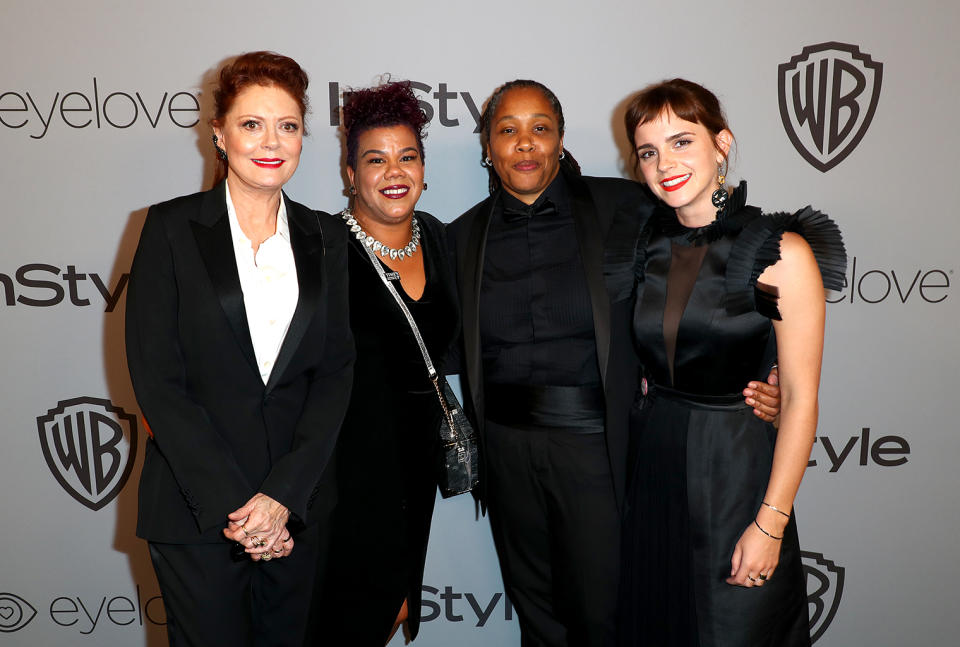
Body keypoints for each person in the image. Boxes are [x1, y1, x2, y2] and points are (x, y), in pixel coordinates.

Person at [447, 80, 782, 647]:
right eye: (508, 130)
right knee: (537, 612)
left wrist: (758, 374)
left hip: (599, 446)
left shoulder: (625, 209)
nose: (524, 144)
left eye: (540, 129)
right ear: (488, 147)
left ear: (559, 141)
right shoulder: (460, 236)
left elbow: (708, 272)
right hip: (506, 448)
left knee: (606, 614)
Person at [125, 51, 354, 647]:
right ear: (220, 135)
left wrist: (281, 499)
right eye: (252, 124)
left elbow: (334, 375)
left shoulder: (328, 236)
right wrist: (242, 511)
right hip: (196, 511)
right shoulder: (168, 229)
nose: (271, 141)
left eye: (288, 125)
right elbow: (158, 380)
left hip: (295, 515)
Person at [617, 78, 846, 646]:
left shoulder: (777, 250)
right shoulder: (646, 244)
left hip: (732, 470)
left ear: (722, 144)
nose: (664, 162)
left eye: (681, 141)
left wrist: (771, 522)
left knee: (733, 628)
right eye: (649, 151)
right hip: (656, 462)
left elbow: (797, 398)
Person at [311, 81, 459, 645]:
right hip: (336, 477)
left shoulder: (444, 242)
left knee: (388, 616)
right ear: (350, 174)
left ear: (422, 167)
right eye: (375, 160)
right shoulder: (319, 248)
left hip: (412, 473)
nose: (394, 172)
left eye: (407, 157)